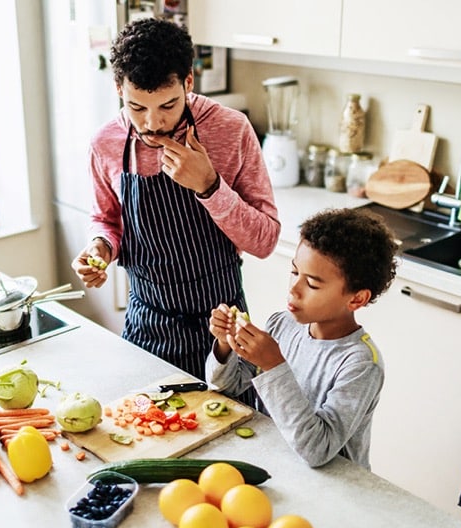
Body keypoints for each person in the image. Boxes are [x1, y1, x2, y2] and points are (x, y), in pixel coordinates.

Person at [71, 18, 280, 386]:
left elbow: (265, 242)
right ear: (119, 88)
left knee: (233, 436)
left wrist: (210, 186)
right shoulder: (105, 143)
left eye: (167, 106)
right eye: (137, 107)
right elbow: (106, 220)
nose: (153, 124)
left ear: (188, 82)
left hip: (223, 332)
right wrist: (100, 249)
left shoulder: (231, 130)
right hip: (147, 326)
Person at [205, 208, 398, 469]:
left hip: (337, 489)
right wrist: (225, 345)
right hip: (278, 466)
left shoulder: (361, 364)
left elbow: (317, 449)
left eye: (313, 284)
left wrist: (274, 365)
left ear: (356, 298)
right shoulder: (282, 325)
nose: (294, 289)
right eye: (295, 272)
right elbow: (227, 389)